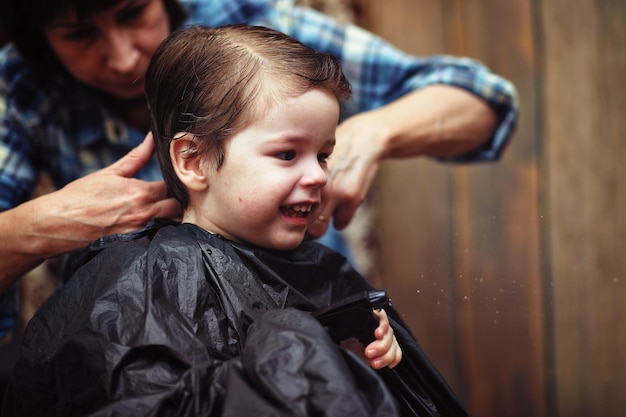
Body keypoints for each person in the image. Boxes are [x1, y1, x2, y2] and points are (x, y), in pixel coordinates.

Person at [2, 24, 469, 417]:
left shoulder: (320, 270)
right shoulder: (142, 281)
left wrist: (367, 361)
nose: (317, 175)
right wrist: (293, 352)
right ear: (194, 160)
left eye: (323, 155)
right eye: (287, 154)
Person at [0, 0, 518, 340]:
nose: (121, 55)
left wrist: (372, 133)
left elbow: (484, 102)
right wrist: (36, 227)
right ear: (190, 159)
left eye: (135, 12)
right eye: (79, 34)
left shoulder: (247, 32)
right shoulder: (21, 92)